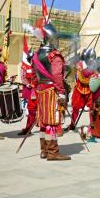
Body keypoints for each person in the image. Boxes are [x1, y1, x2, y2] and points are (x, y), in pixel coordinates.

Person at [32, 23, 70, 160]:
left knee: (43, 121)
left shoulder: (36, 55)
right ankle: (53, 152)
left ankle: (44, 150)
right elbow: (57, 76)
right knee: (52, 120)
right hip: (52, 91)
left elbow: (34, 76)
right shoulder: (55, 55)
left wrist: (35, 89)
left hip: (40, 91)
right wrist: (61, 92)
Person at [65, 48, 95, 132]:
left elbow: (96, 76)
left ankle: (92, 124)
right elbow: (81, 79)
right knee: (75, 107)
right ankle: (72, 124)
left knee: (92, 107)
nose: (91, 61)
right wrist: (91, 79)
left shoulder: (94, 65)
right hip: (79, 89)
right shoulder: (79, 65)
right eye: (90, 59)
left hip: (90, 89)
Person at [17, 48, 37, 135]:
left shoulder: (41, 66)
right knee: (31, 109)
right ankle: (28, 128)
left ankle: (45, 127)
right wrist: (28, 84)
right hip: (31, 89)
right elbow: (23, 77)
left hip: (42, 89)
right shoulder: (25, 66)